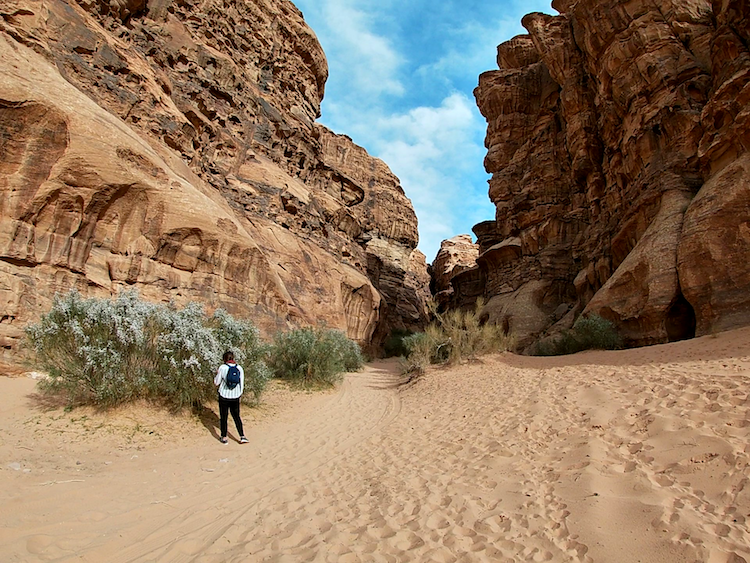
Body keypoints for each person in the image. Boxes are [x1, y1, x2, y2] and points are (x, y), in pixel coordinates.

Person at [214, 350, 249, 444]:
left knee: (223, 417)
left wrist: (217, 374)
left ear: (224, 359)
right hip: (235, 396)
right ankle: (242, 436)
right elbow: (242, 383)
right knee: (236, 416)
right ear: (233, 358)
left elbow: (216, 382)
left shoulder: (222, 367)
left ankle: (224, 437)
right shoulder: (239, 368)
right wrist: (239, 394)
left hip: (224, 396)